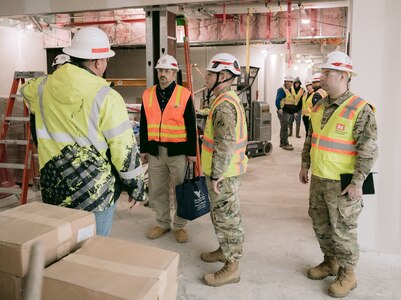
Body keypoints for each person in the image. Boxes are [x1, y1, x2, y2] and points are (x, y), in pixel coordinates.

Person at [20, 27, 146, 236]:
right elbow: (124, 152)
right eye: (106, 59)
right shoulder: (107, 96)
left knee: (61, 247)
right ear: (98, 62)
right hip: (94, 194)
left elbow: (24, 91)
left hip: (54, 189)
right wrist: (136, 187)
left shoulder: (41, 87)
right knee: (91, 252)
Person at [298, 51, 378, 298]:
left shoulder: (360, 108)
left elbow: (369, 149)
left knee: (344, 230)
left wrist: (357, 183)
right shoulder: (319, 105)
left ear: (343, 76)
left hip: (343, 184)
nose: (322, 77)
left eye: (327, 73)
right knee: (321, 225)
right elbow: (311, 139)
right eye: (323, 72)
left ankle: (348, 273)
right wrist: (304, 165)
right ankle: (330, 261)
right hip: (320, 179)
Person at [200, 53, 247, 287]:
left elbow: (225, 144)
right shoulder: (224, 99)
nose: (206, 77)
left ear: (224, 76)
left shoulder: (225, 106)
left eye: (210, 73)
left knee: (228, 219)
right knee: (220, 216)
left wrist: (217, 175)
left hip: (224, 175)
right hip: (223, 172)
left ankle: (232, 267)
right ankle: (223, 249)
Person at [140, 54, 197, 243]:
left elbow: (191, 125)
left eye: (167, 71)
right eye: (160, 71)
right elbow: (144, 122)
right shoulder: (148, 95)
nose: (163, 74)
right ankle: (162, 223)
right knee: (157, 190)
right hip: (156, 152)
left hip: (178, 152)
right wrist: (144, 149)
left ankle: (180, 226)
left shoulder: (184, 94)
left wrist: (191, 153)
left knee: (179, 190)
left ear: (174, 74)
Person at [275, 75, 297, 150]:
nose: (291, 83)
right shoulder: (282, 90)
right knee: (284, 128)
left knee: (284, 127)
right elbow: (277, 100)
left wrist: (294, 112)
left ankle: (283, 142)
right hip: (283, 112)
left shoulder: (291, 90)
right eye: (290, 82)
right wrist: (279, 108)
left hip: (289, 112)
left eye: (292, 82)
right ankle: (285, 143)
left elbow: (293, 101)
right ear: (285, 82)